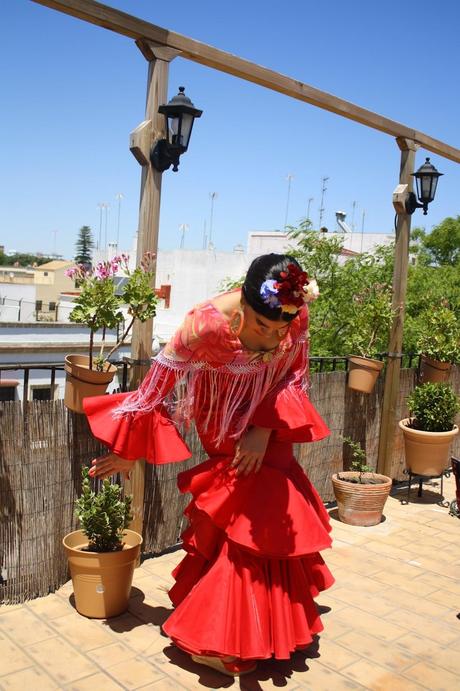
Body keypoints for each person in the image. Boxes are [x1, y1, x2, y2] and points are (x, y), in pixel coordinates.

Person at [85, 253, 334, 677]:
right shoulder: (203, 324)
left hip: (267, 425)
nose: (271, 339)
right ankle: (231, 632)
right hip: (219, 424)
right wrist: (130, 451)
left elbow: (295, 373)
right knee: (241, 520)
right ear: (242, 303)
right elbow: (155, 388)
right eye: (260, 326)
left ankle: (253, 631)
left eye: (280, 330)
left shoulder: (297, 314)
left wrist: (262, 428)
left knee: (268, 516)